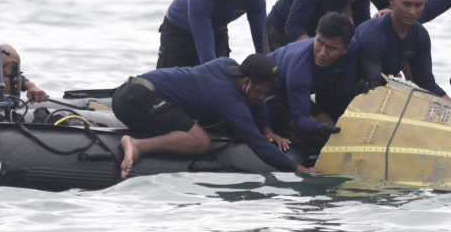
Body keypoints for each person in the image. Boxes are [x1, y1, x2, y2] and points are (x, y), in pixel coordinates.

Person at [113, 54, 312, 178]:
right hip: (136, 100)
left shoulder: (227, 65)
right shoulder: (227, 97)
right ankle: (137, 145)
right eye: (260, 92)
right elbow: (257, 143)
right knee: (200, 141)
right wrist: (298, 168)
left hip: (130, 89)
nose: (261, 99)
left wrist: (268, 129)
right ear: (246, 82)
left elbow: (257, 101)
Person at [268, 12, 358, 143]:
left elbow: (345, 88)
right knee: (317, 136)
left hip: (300, 90)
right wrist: (317, 127)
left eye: (331, 48)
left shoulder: (353, 48)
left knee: (335, 128)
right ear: (315, 35)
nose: (322, 53)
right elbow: (301, 119)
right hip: (273, 92)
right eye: (320, 42)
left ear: (345, 49)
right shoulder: (300, 68)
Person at [355, 0, 446, 96]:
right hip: (354, 90)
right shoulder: (373, 34)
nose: (412, 12)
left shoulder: (420, 34)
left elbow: (426, 83)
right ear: (392, 0)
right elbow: (373, 85)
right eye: (407, 4)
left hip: (382, 87)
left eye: (418, 5)